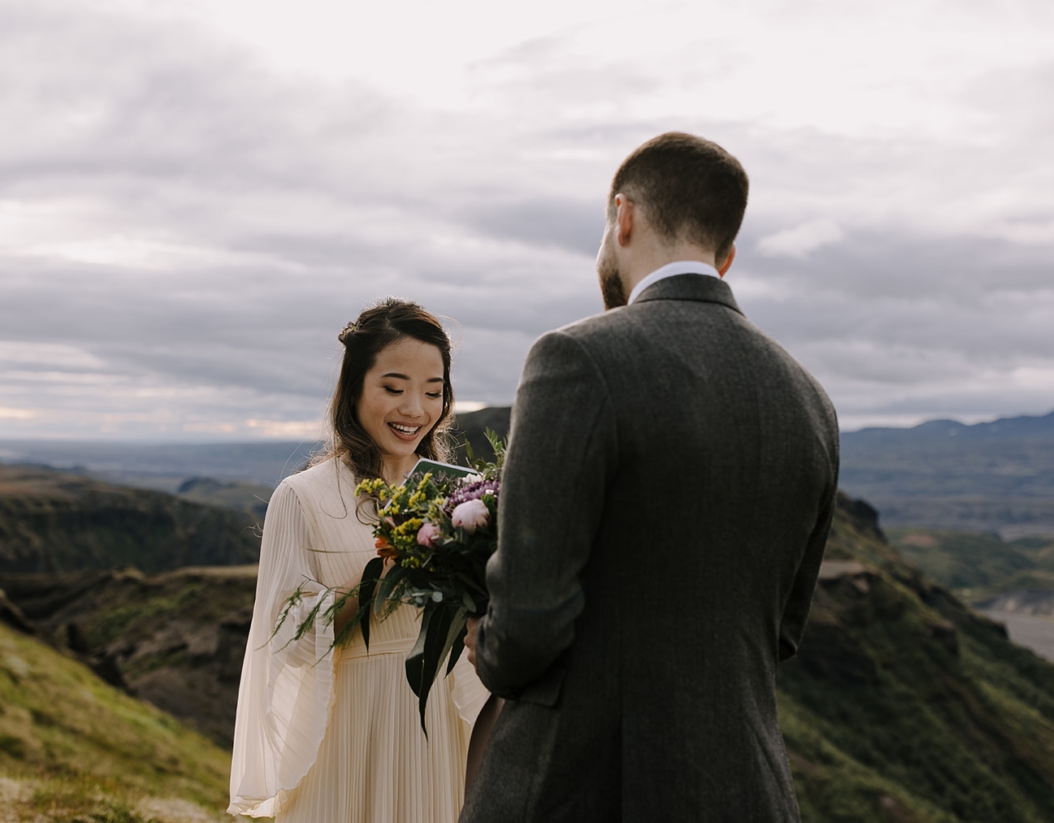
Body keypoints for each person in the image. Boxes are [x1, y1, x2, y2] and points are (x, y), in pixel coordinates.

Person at [461, 132, 839, 821]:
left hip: (581, 784)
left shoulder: (575, 358)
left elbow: (530, 620)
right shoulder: (809, 399)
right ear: (726, 254)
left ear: (623, 216)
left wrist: (487, 645)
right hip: (744, 787)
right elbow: (782, 629)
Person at [229, 299, 490, 821]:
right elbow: (290, 643)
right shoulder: (302, 497)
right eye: (393, 389)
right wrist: (386, 572)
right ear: (353, 389)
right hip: (350, 732)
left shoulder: (460, 497)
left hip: (444, 727)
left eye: (433, 392)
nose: (415, 408)